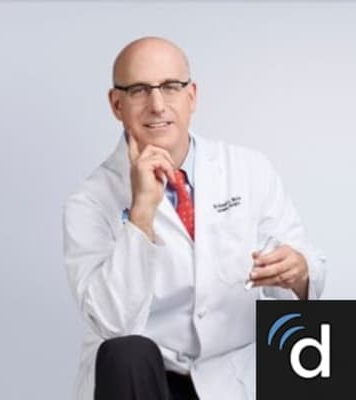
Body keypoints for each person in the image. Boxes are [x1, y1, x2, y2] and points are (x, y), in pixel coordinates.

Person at [63, 36, 326, 400]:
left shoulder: (248, 169)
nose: (157, 105)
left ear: (192, 96)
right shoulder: (90, 201)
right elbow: (112, 324)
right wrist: (141, 212)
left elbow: (310, 274)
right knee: (126, 352)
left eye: (171, 87)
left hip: (238, 373)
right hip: (149, 380)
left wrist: (299, 272)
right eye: (139, 90)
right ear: (116, 104)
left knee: (319, 339)